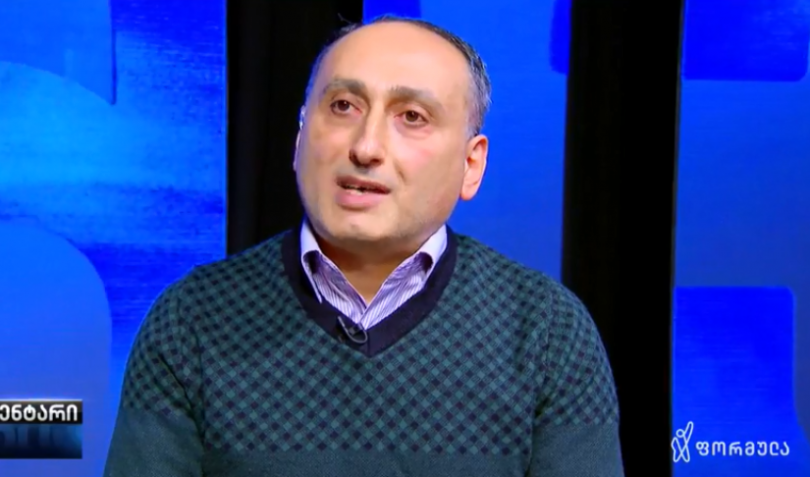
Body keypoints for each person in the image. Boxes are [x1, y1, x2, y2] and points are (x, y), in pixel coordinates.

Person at [104, 14, 623, 477]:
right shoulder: (194, 319)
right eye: (343, 106)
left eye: (412, 117)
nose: (366, 147)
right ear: (300, 138)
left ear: (472, 165)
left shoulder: (546, 332)